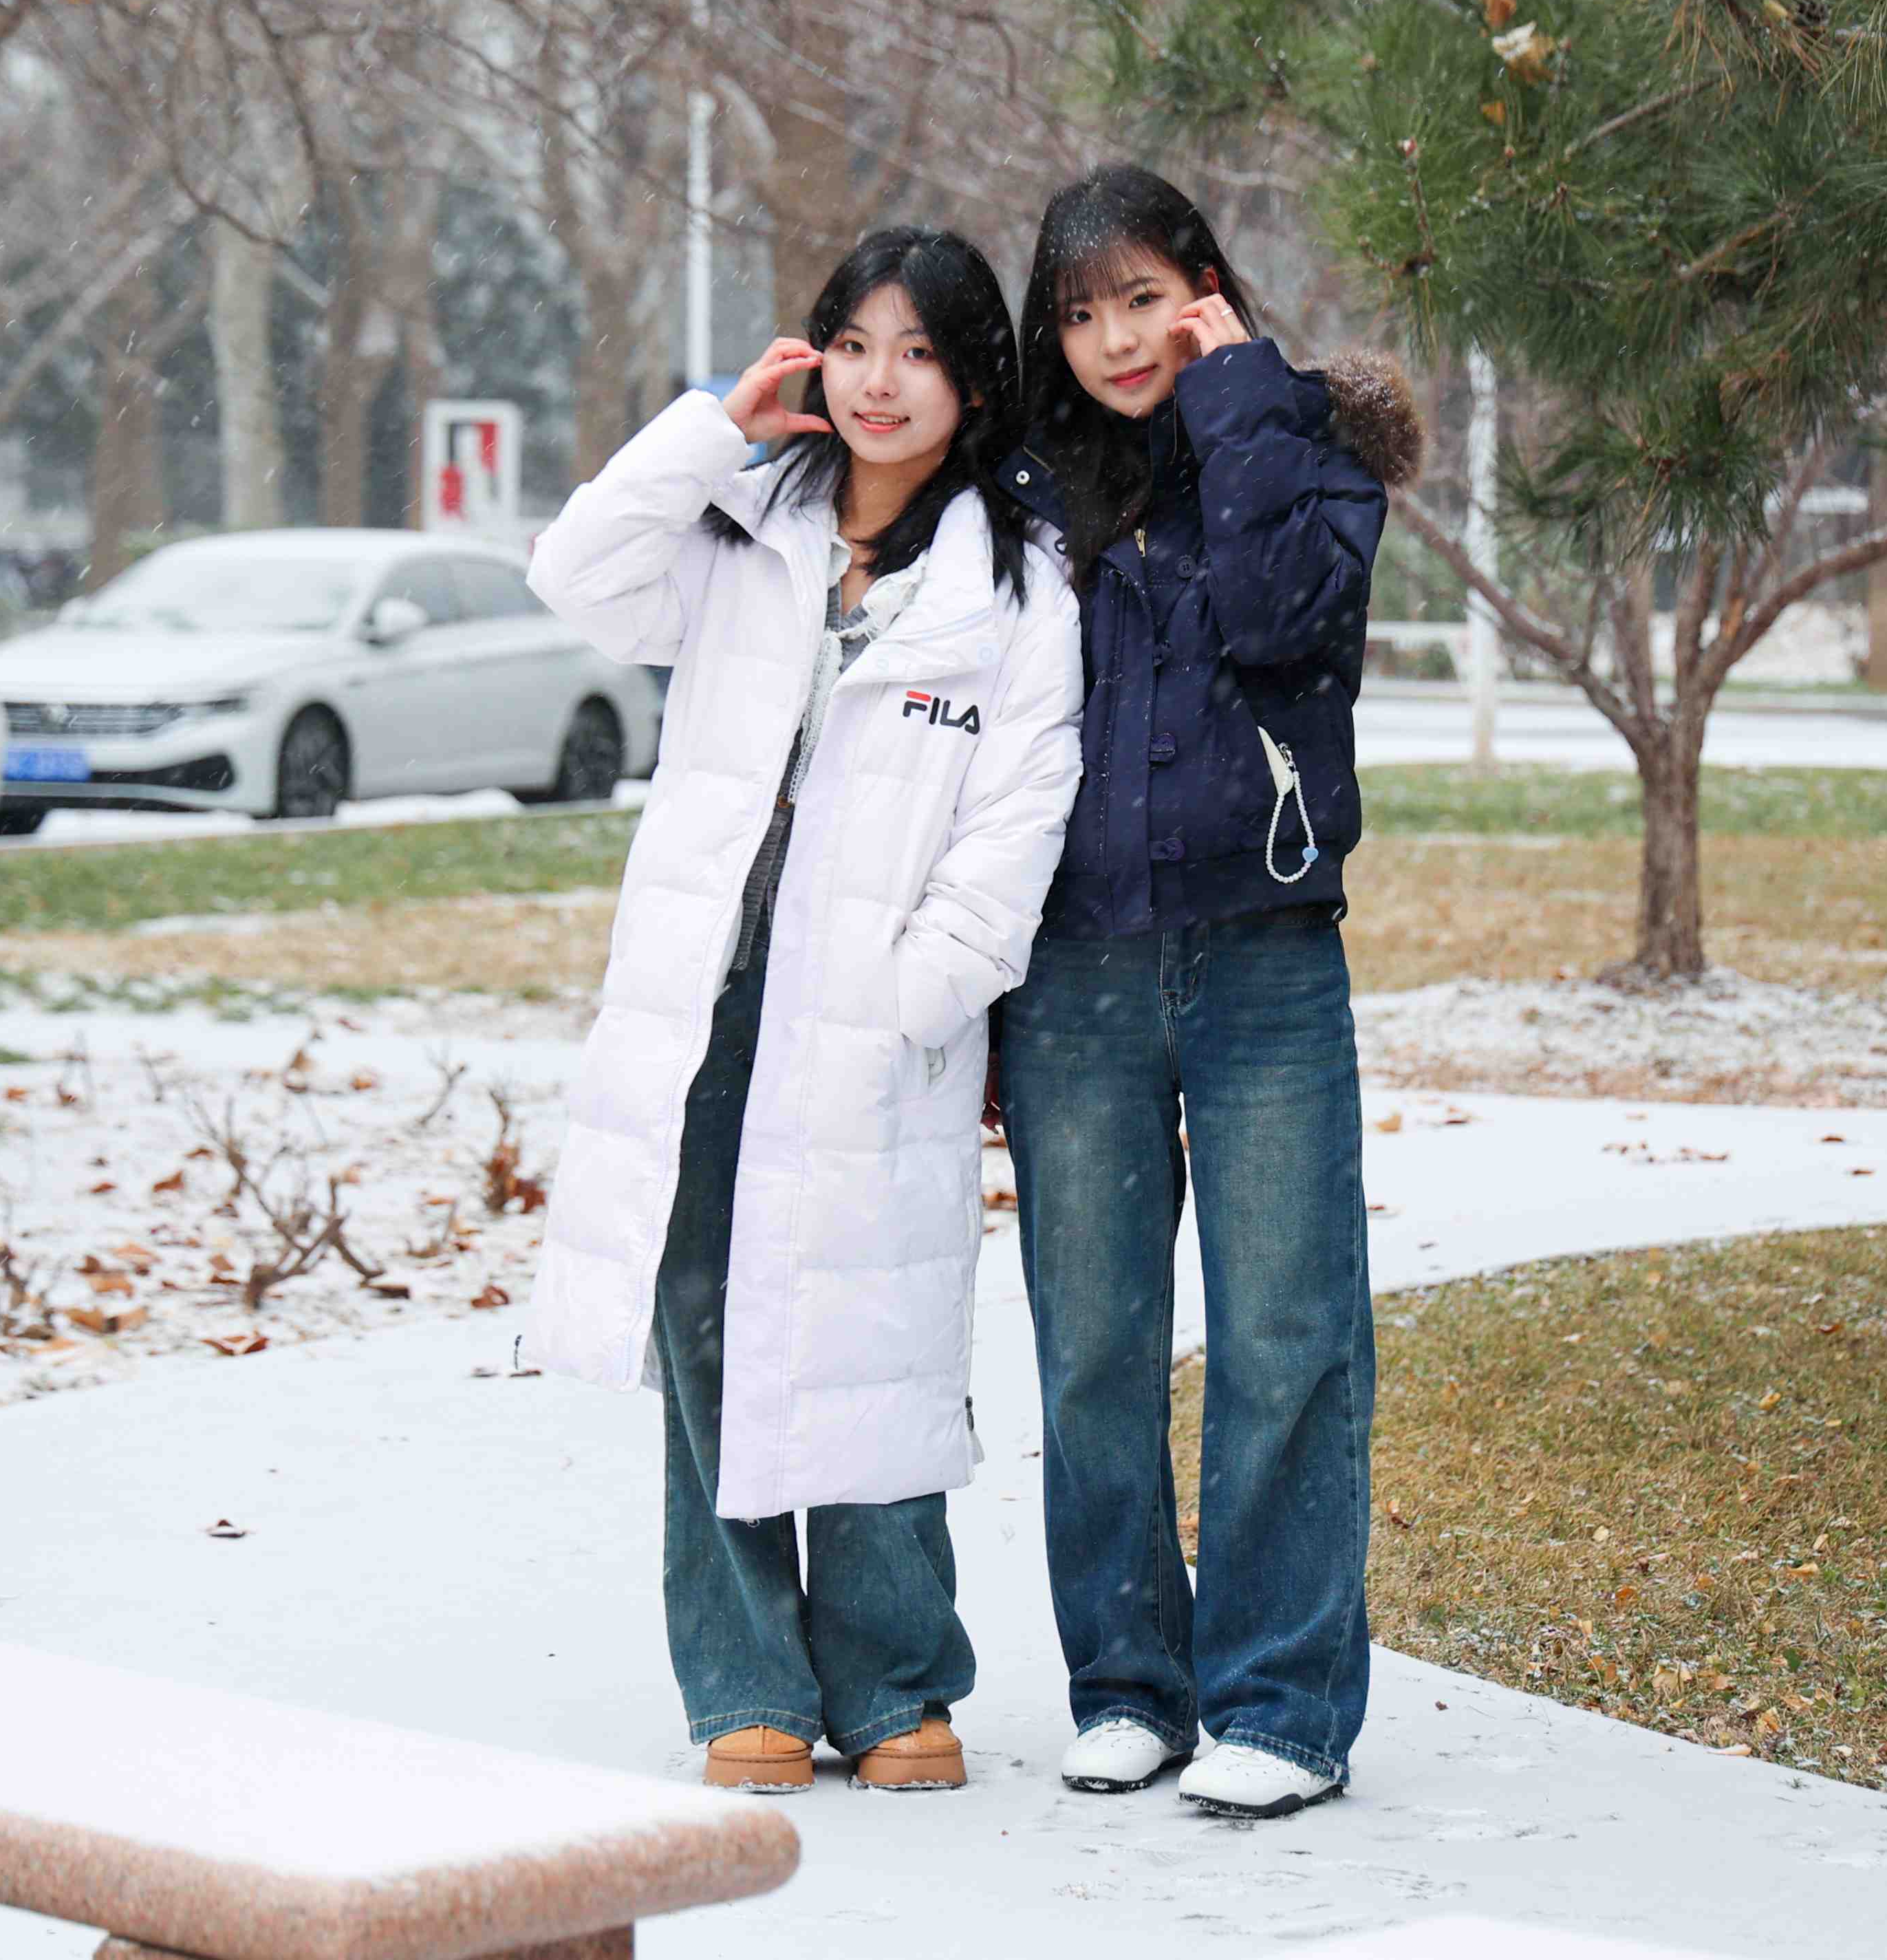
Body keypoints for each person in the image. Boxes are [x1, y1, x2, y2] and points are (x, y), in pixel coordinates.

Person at [526, 226, 1084, 1795]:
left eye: (918, 352)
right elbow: (573, 572)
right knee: (704, 1324)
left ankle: (895, 1682)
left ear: (974, 384)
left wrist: (922, 991)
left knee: (873, 1338)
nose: (878, 382)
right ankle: (744, 1681)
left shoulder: (1013, 589)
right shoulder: (737, 528)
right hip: (709, 1005)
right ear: (814, 358)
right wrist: (715, 427)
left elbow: (1018, 818)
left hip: (869, 1022)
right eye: (852, 345)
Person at [991, 163, 1424, 1819]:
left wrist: (1236, 398)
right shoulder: (1023, 489)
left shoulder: (1304, 446)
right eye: (1079, 310)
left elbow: (1282, 618)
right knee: (1091, 1344)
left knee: (1286, 1336)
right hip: (1073, 973)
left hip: (1263, 959)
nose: (1115, 338)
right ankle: (1125, 1684)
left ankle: (1281, 1705)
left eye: (1142, 297)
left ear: (1204, 288)